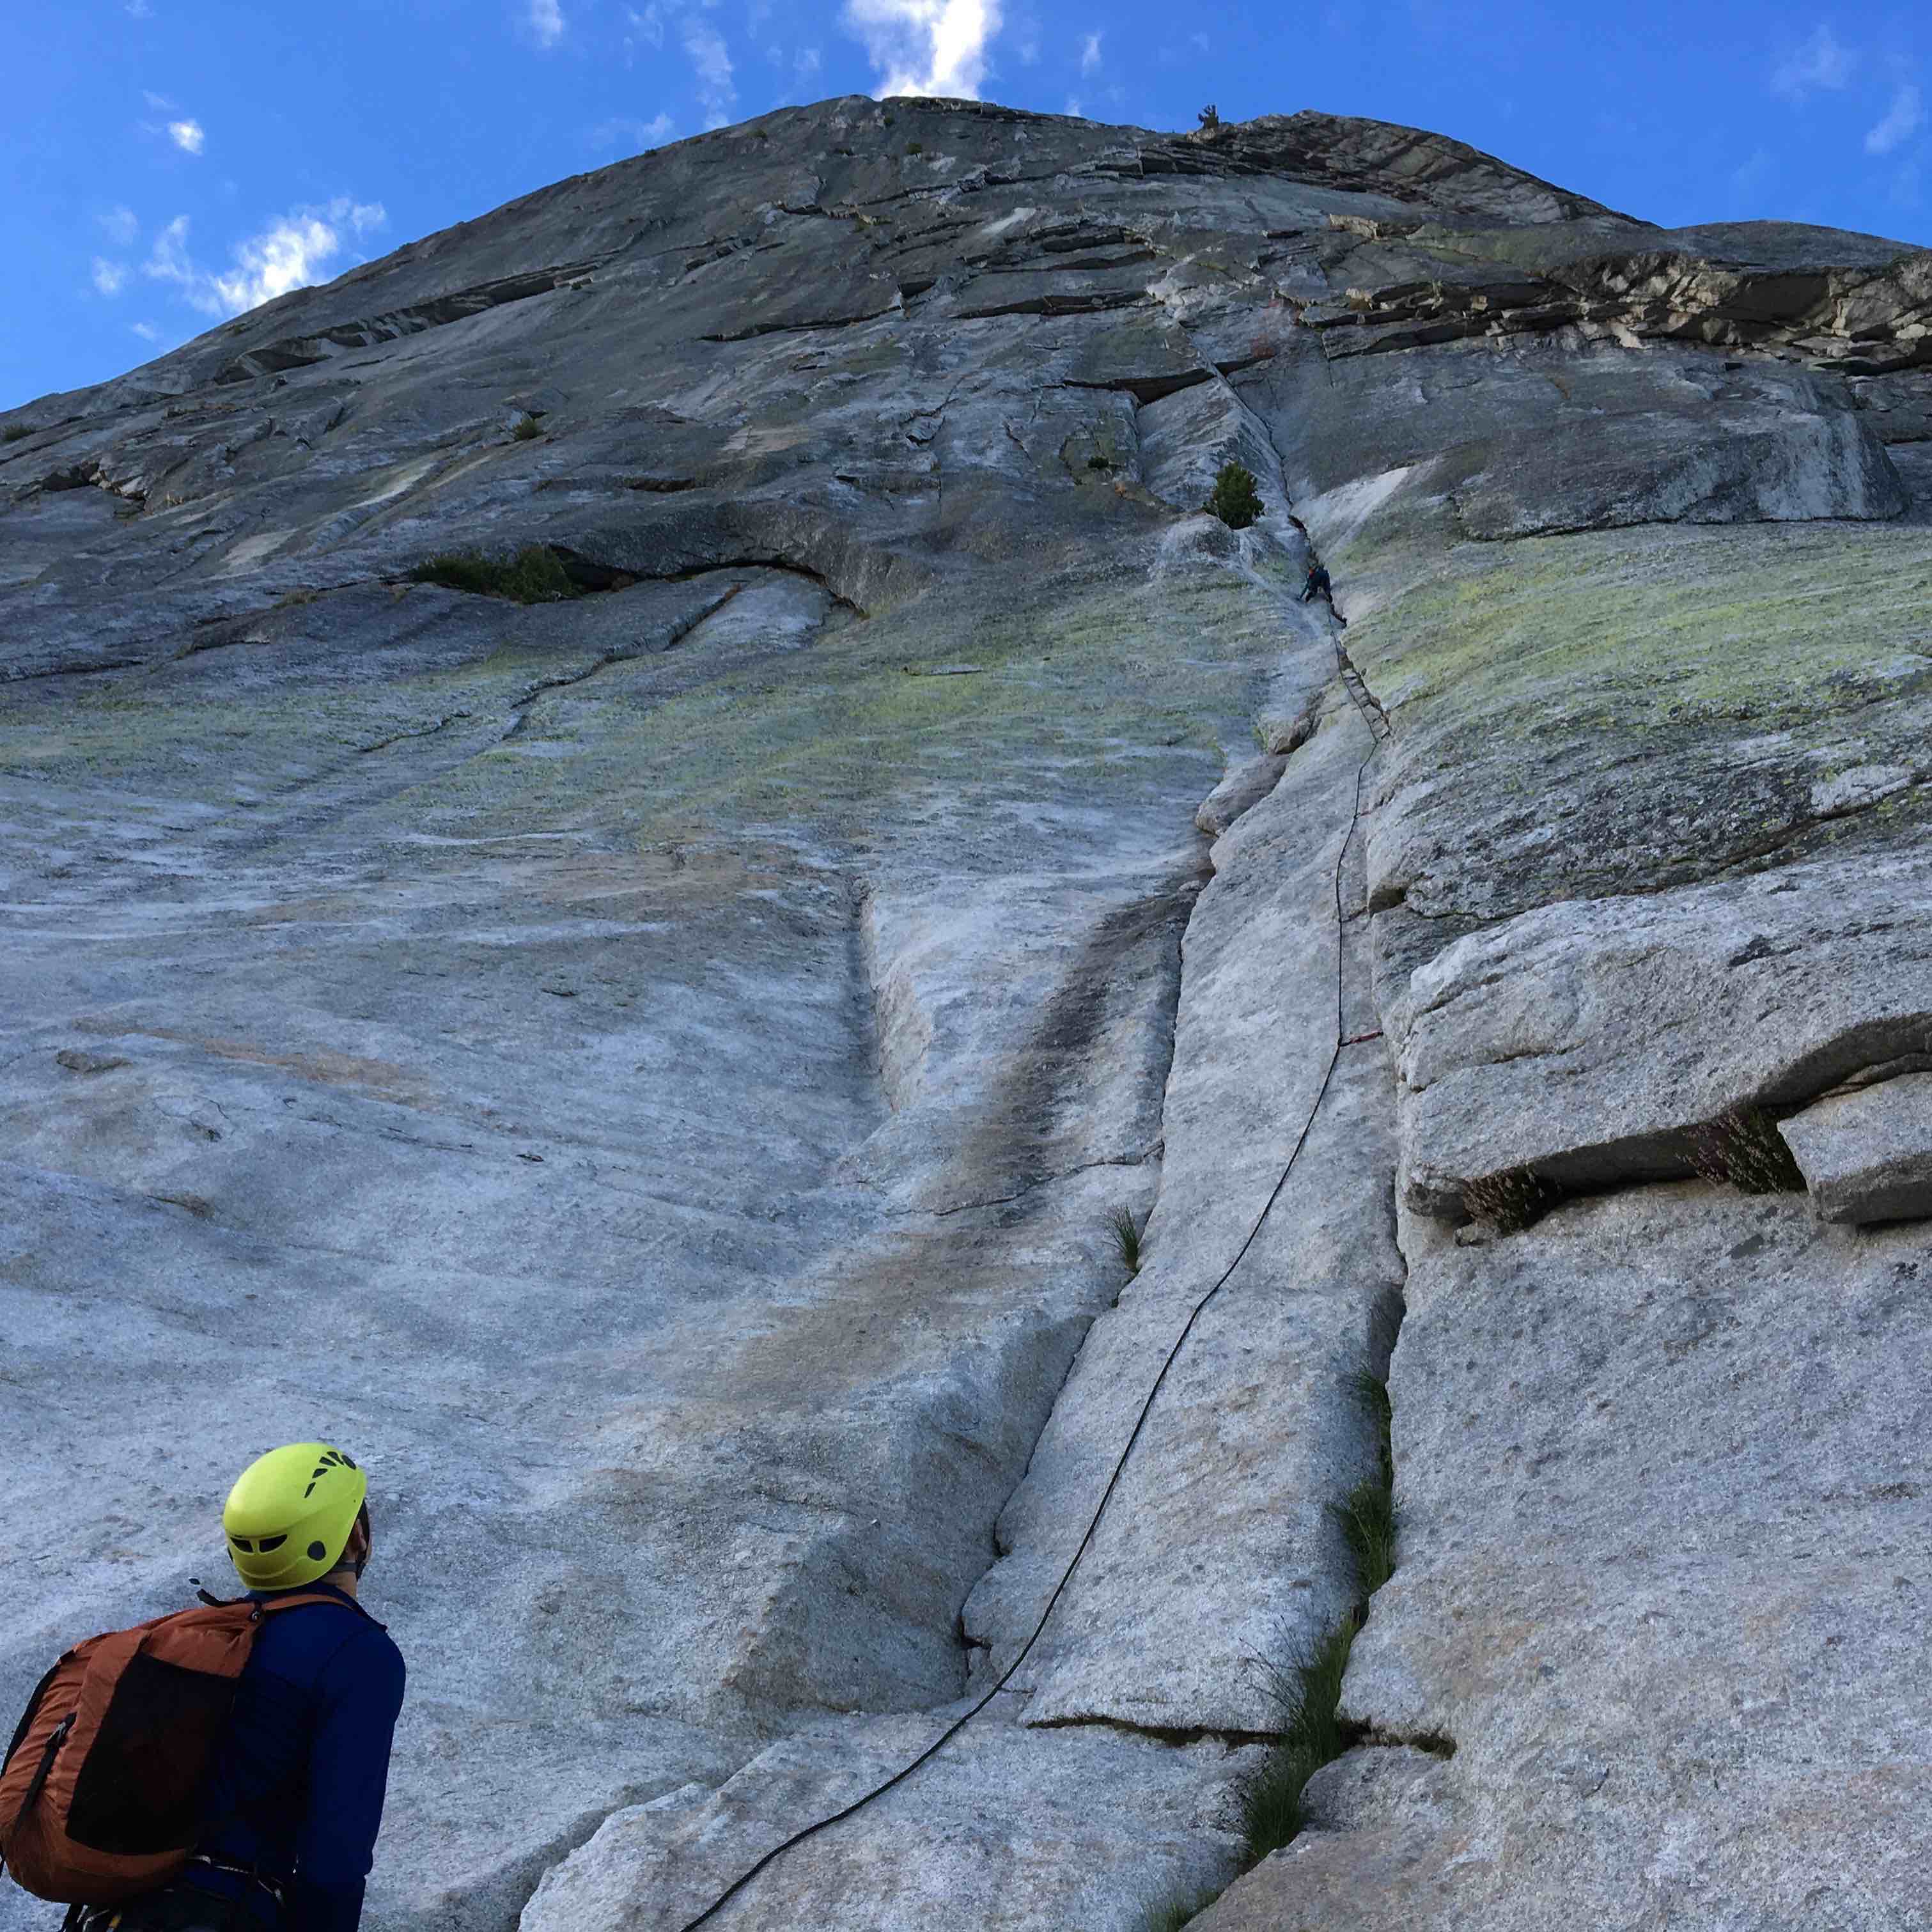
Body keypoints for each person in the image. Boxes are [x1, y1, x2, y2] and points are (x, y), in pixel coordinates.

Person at [67, 1445, 407, 1932]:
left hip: (116, 1911)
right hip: (224, 1912)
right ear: (355, 1535)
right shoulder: (357, 1655)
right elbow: (336, 1859)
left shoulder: (210, 1638)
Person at [1300, 560, 1347, 625]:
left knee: (1327, 592)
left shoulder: (1316, 578)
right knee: (1315, 591)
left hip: (1325, 579)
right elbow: (1307, 587)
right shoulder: (1312, 578)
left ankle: (1332, 602)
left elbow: (1310, 587)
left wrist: (1324, 590)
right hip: (1321, 578)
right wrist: (1300, 597)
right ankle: (1324, 598)